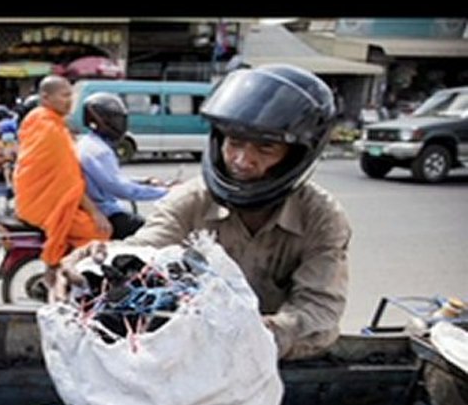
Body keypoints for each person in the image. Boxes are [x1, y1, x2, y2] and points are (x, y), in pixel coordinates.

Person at [55, 63, 352, 361]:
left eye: (266, 148)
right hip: (191, 356)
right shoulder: (192, 199)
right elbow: (147, 246)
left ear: (296, 156)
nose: (242, 160)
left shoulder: (321, 218)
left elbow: (319, 311)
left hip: (272, 363)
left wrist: (256, 335)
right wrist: (96, 260)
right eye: (234, 142)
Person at [13, 75, 111, 270]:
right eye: (64, 95)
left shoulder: (41, 120)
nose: (69, 101)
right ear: (45, 97)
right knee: (99, 232)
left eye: (70, 95)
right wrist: (94, 212)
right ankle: (69, 277)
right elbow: (68, 182)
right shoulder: (49, 128)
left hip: (33, 198)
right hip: (44, 204)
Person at [76, 92, 169, 239]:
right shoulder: (99, 151)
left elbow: (111, 177)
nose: (120, 125)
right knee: (156, 235)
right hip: (106, 212)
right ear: (100, 121)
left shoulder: (89, 143)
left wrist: (145, 181)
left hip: (101, 208)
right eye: (115, 120)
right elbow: (120, 188)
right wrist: (165, 193)